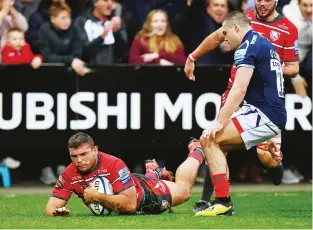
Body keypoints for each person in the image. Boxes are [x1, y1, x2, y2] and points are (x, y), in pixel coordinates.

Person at [185, 0, 301, 213]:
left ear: (236, 28)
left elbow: (239, 89)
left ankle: (225, 201)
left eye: (227, 35)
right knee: (213, 141)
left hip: (262, 111)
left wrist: (218, 123)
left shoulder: (248, 47)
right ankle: (215, 201)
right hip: (261, 108)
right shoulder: (258, 39)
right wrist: (193, 56)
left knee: (213, 138)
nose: (226, 41)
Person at [45, 132, 206, 216]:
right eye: (74, 156)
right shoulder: (69, 174)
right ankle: (153, 172)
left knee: (184, 191)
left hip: (146, 195)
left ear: (95, 150)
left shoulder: (114, 163)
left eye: (84, 154)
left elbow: (130, 206)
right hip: (129, 186)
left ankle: (197, 150)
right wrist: (57, 212)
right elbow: (50, 207)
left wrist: (97, 197)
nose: (79, 160)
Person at [38, 2, 86, 76]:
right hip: (49, 72)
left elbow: (77, 55)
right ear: (53, 19)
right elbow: (46, 57)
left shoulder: (75, 29)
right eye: (63, 18)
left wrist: (71, 60)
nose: (67, 21)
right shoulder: (44, 30)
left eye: (69, 17)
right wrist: (70, 60)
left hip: (71, 71)